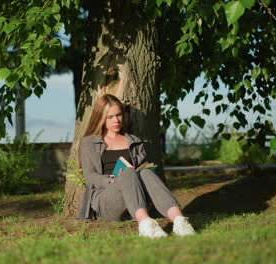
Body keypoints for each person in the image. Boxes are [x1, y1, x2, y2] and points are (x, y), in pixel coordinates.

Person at [77, 94, 195, 238]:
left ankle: (179, 221)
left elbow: (142, 170)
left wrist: (141, 170)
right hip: (107, 199)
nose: (116, 120)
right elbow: (90, 177)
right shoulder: (89, 142)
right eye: (110, 117)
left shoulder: (133, 141)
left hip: (136, 196)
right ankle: (146, 225)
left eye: (119, 115)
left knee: (146, 172)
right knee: (127, 172)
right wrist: (112, 179)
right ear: (100, 117)